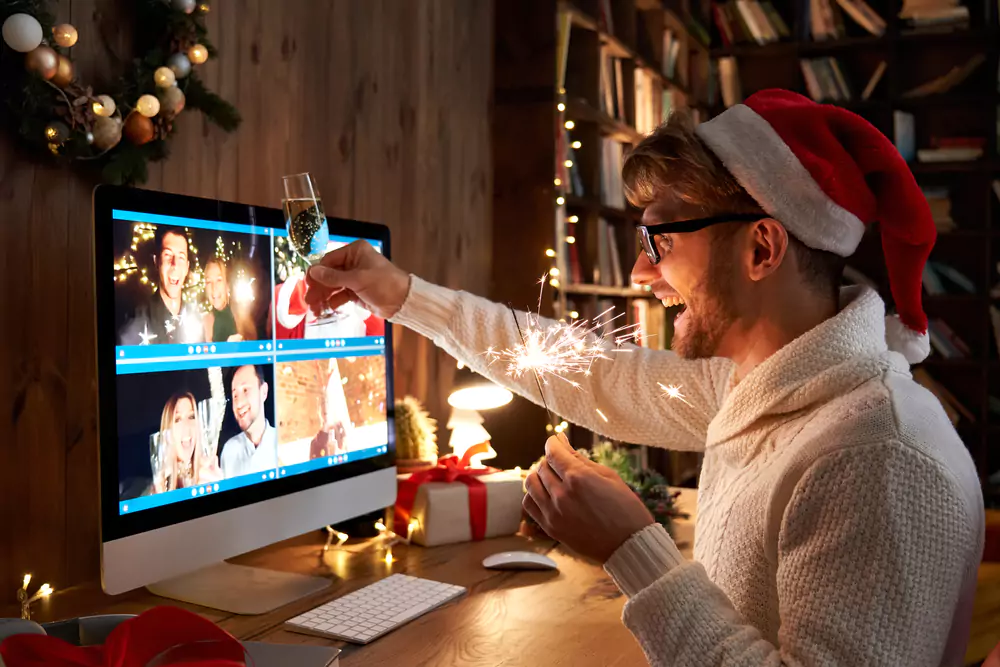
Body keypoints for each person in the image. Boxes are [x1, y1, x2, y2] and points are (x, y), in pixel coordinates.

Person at [304, 89, 985, 666]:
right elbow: (593, 373)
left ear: (761, 246)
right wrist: (402, 296)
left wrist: (633, 547)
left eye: (662, 239)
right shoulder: (762, 385)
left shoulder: (875, 455)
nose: (640, 274)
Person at [119, 227, 203, 345]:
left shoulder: (196, 322)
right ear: (157, 262)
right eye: (168, 255)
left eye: (181, 257)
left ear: (187, 267)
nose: (175, 265)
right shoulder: (135, 327)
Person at [154, 392, 222, 493]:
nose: (186, 426)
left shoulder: (210, 474)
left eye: (191, 417)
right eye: (177, 419)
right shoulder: (158, 489)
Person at [219, 365, 276, 478]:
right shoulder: (229, 451)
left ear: (264, 392)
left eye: (246, 390)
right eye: (235, 395)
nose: (239, 403)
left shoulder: (285, 446)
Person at [201, 257, 256, 343]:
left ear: (227, 285)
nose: (213, 287)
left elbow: (256, 349)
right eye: (209, 282)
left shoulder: (242, 315)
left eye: (219, 280)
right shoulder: (203, 322)